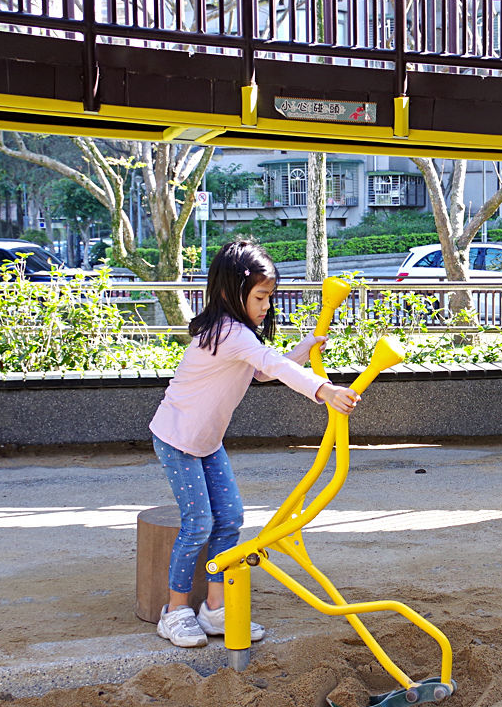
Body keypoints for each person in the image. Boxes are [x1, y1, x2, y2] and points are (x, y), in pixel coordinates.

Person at [149, 240, 361, 648]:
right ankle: (174, 611)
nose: (266, 306)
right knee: (199, 525)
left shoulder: (237, 335)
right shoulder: (227, 333)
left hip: (206, 441)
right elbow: (271, 365)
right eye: (261, 296)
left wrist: (304, 349)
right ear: (232, 291)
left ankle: (215, 608)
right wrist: (324, 390)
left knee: (229, 518)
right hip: (177, 439)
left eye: (269, 297)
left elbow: (264, 371)